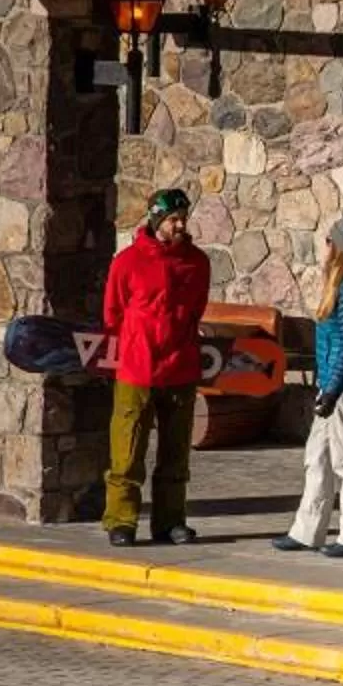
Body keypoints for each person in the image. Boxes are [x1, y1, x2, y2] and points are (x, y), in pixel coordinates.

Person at [101, 184, 211, 547]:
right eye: (173, 219)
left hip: (181, 368)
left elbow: (196, 309)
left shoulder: (197, 262)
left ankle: (170, 521)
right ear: (156, 219)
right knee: (127, 451)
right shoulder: (127, 262)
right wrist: (134, 345)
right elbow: (113, 314)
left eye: (184, 218)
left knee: (175, 454)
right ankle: (121, 520)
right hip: (137, 369)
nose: (180, 225)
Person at [274, 214, 343, 559]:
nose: (324, 246)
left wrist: (333, 389)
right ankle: (307, 531)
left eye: (328, 240)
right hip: (334, 383)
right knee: (317, 457)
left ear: (338, 247)